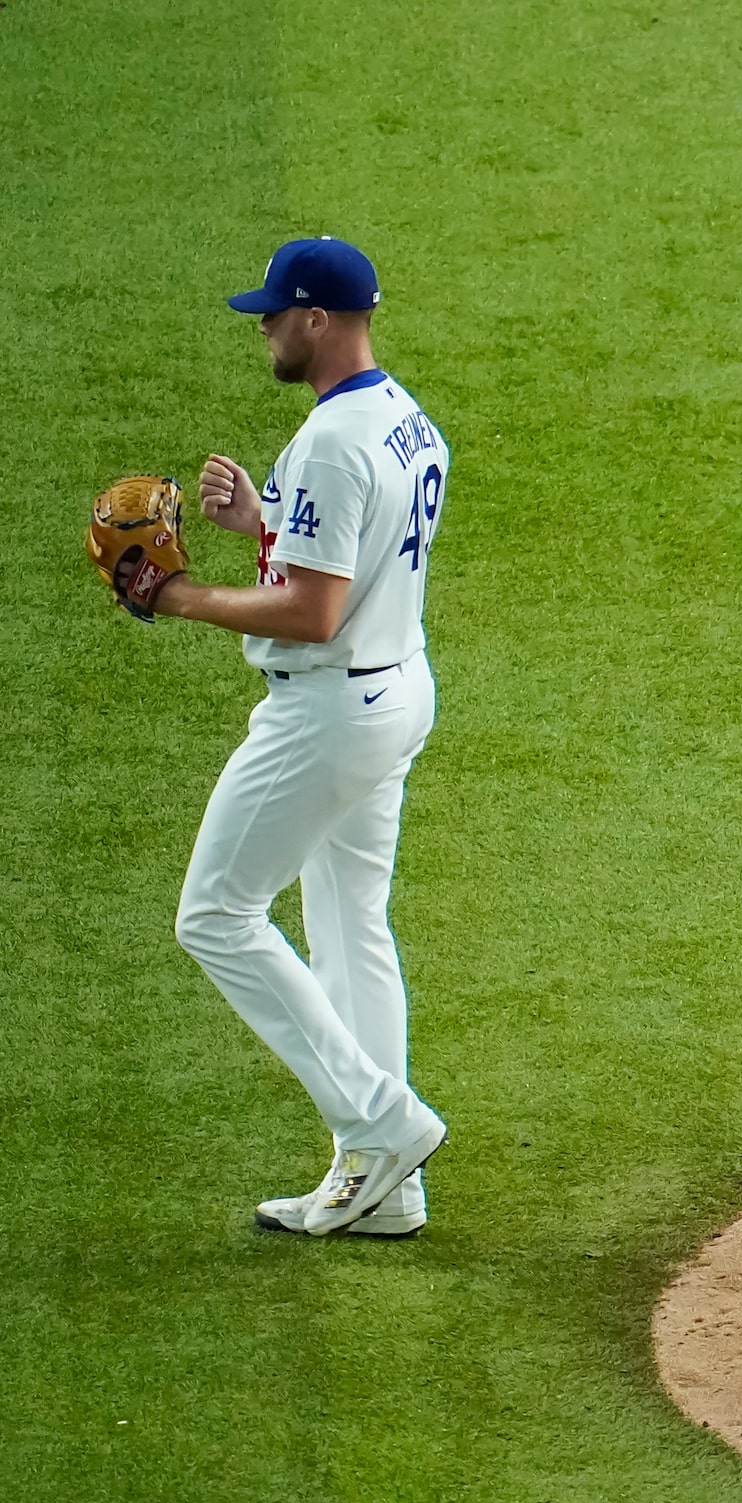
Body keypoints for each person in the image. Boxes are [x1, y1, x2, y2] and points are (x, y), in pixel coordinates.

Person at [123, 237, 451, 1236]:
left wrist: (179, 597)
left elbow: (310, 612)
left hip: (328, 709)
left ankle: (384, 1122)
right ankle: (388, 1189)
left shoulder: (333, 440)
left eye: (273, 313)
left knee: (215, 915)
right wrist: (265, 519)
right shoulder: (405, 420)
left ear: (317, 320)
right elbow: (346, 567)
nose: (262, 327)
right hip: (396, 689)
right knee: (352, 922)